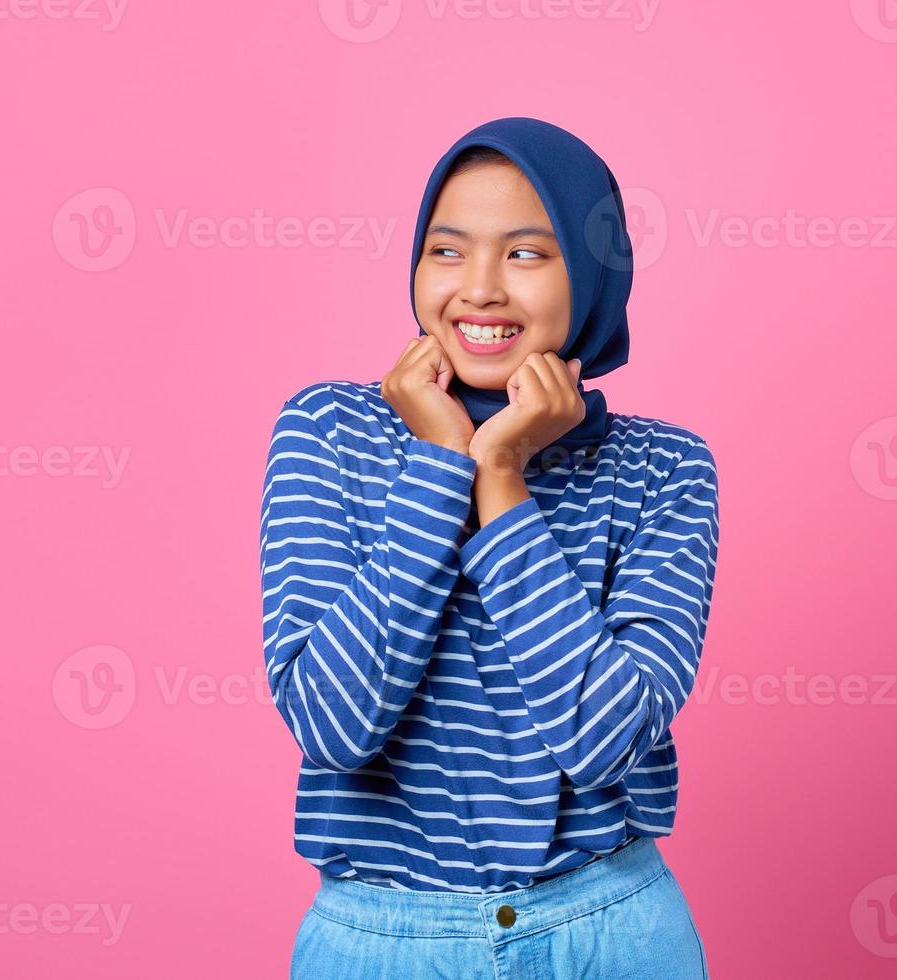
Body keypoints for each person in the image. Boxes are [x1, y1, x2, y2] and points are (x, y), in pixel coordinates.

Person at [259, 117, 718, 978]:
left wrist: (500, 475)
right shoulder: (327, 430)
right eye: (447, 250)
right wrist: (439, 463)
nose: (478, 289)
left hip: (607, 932)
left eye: (525, 253)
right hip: (380, 941)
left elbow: (603, 741)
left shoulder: (664, 467)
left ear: (591, 273)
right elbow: (332, 725)